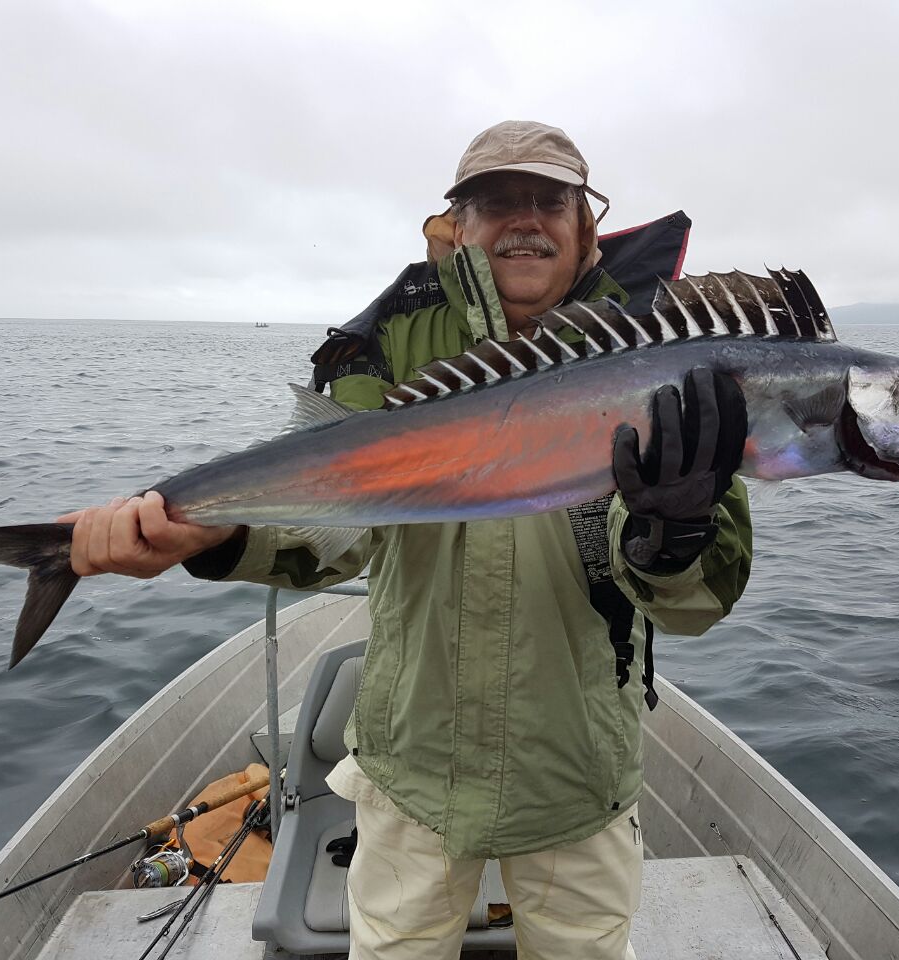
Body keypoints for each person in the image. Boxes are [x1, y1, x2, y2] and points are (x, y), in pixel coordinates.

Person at [59, 121, 752, 960]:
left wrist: (673, 534)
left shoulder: (668, 353)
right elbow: (334, 536)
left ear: (587, 225)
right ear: (457, 223)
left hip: (582, 775)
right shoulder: (384, 343)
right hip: (412, 772)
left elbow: (697, 607)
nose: (525, 219)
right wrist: (208, 532)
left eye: (550, 200)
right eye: (497, 202)